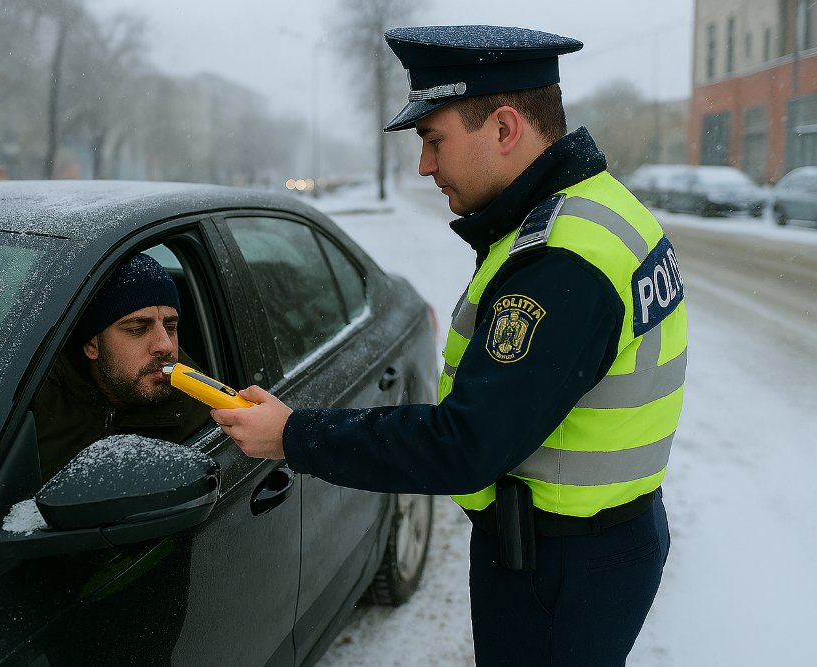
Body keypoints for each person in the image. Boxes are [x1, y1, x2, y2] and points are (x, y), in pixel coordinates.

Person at [212, 24, 687, 665]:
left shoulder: (561, 264)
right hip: (594, 543)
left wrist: (292, 435)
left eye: (434, 140)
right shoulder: (596, 209)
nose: (425, 165)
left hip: (560, 568)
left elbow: (465, 447)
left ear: (504, 128)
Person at [34, 253, 211, 482]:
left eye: (170, 327)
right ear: (91, 345)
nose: (166, 346)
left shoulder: (199, 409)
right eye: (138, 328)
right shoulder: (33, 407)